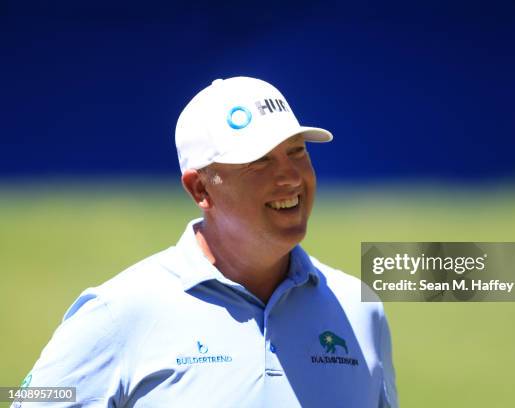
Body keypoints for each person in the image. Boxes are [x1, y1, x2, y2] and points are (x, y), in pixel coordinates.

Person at [15, 77, 397, 407]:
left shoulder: (359, 309)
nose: (290, 177)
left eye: (297, 151)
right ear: (201, 188)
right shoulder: (117, 312)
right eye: (260, 161)